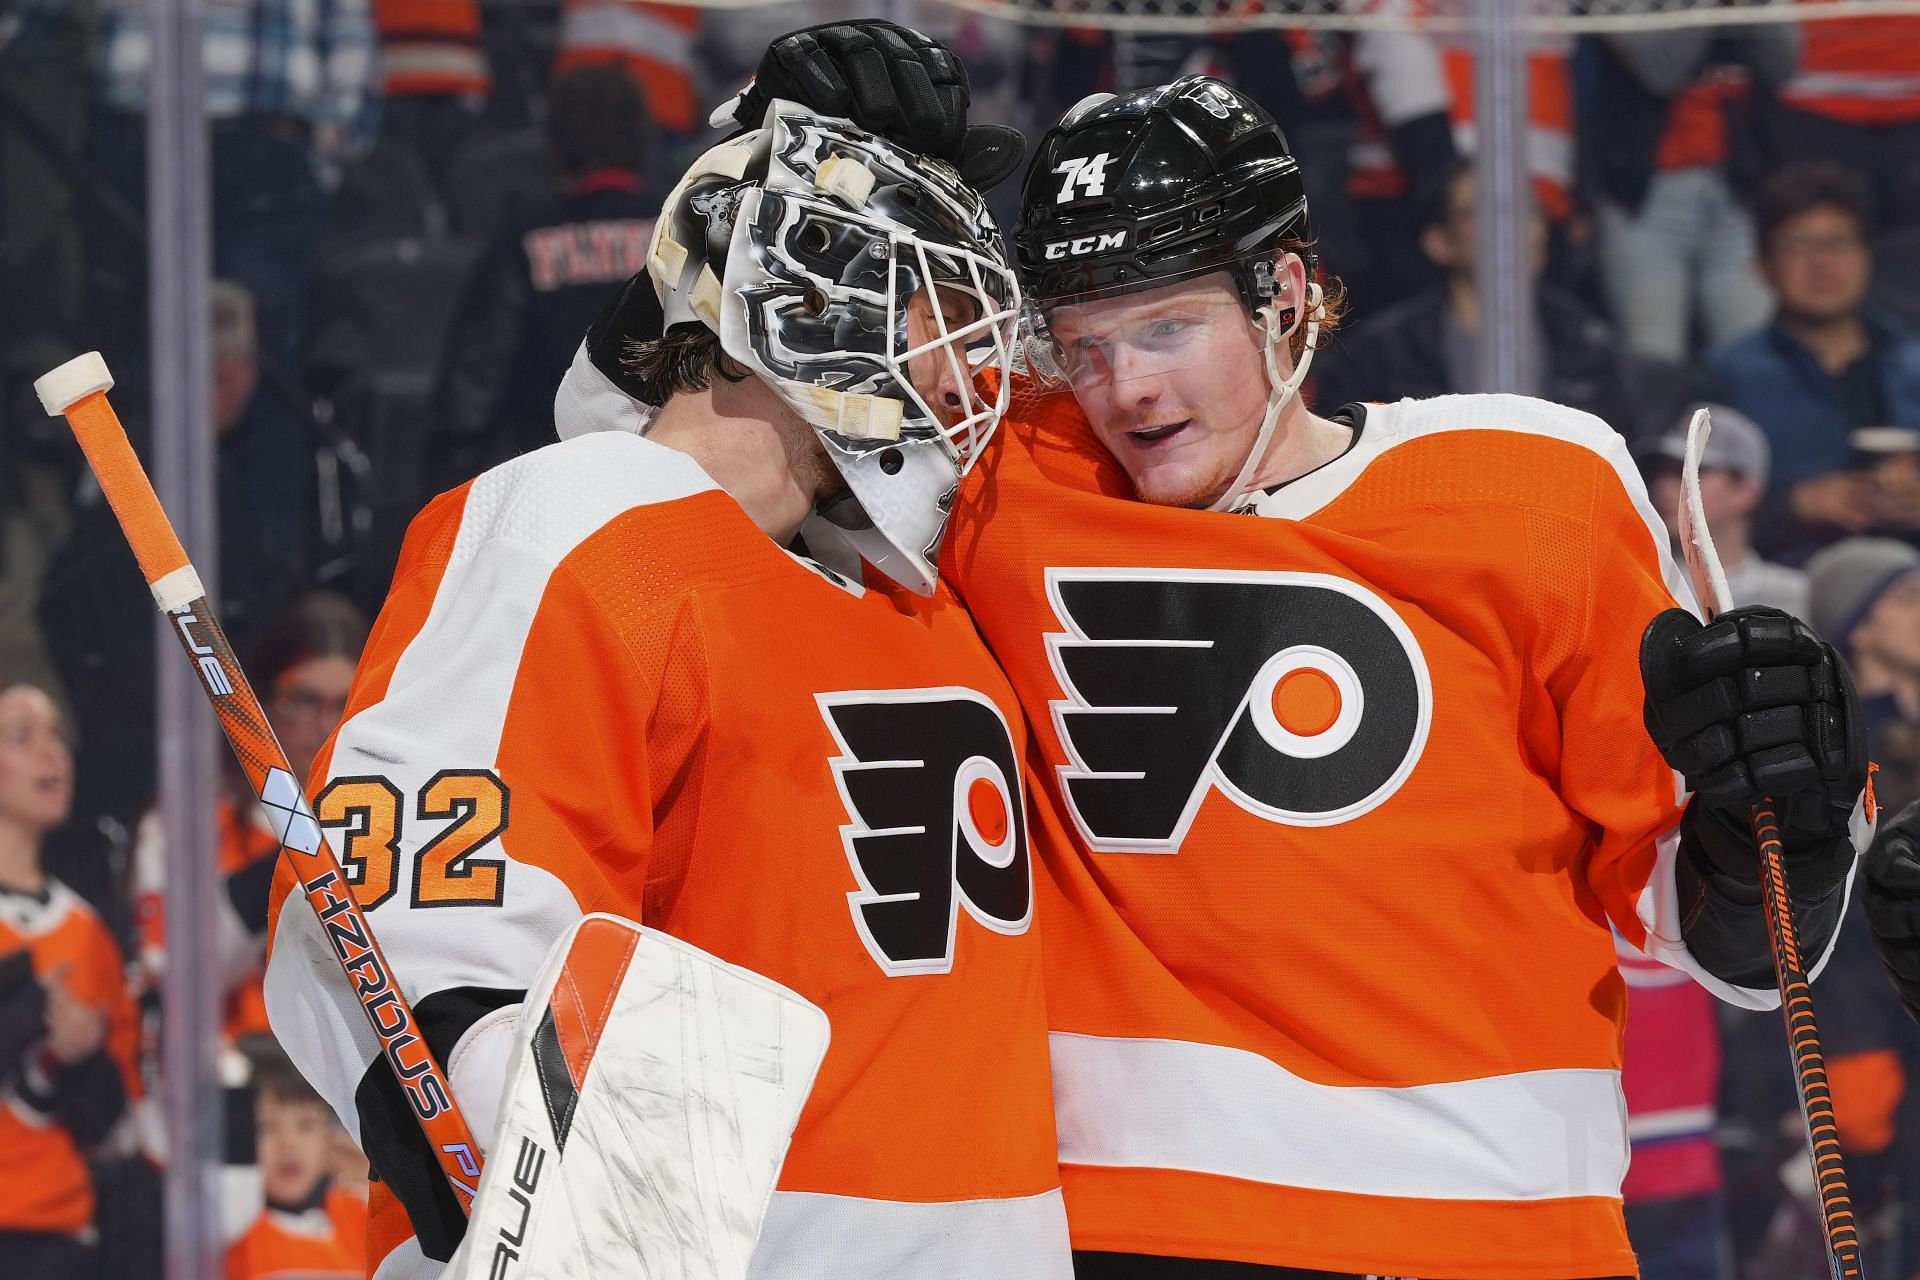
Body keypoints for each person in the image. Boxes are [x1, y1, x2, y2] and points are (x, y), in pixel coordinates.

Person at [694, 41, 1873, 1278]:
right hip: (1121, 1222)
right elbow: (651, 464)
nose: (1124, 388)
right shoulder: (1004, 467)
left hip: (1494, 1223)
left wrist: (1776, 827)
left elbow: (1713, 936)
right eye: (1081, 344)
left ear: (1290, 294)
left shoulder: (1537, 483)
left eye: (1166, 327)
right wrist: (757, 178)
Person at [263, 100, 1070, 1278]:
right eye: (929, 316)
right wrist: (545, 1159)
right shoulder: (582, 519)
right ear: (805, 306)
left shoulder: (920, 590)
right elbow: (413, 899)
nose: (964, 369)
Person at [130, 592, 369, 1160]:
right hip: (236, 1126)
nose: (325, 726)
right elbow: (176, 981)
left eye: (346, 703)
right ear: (259, 705)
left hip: (362, 1122)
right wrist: (292, 855)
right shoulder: (187, 824)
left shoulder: (393, 825)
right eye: (303, 701)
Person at [429, 63, 662, 490]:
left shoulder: (523, 241)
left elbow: (472, 387)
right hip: (668, 479)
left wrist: (449, 493)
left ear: (555, 141)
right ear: (642, 135)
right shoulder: (680, 231)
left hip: (552, 483)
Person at [1707, 162, 1920, 557]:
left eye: (1839, 243)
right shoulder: (1726, 375)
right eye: (1800, 246)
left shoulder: (1912, 361)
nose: (1823, 263)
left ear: (1868, 257)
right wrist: (1795, 505)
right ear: (1763, 266)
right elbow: (1688, 515)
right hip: (1785, 592)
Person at [1314, 158, 1626, 426]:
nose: (1514, 228)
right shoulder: (1380, 353)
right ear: (1440, 242)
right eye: (1485, 212)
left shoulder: (1587, 343)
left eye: (1528, 209)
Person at [0, 680, 138, 1278]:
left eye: (57, 736)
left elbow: (114, 1123)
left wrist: (82, 1058)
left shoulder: (87, 932)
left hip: (55, 1232)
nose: (52, 753)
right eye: (22, 737)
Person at [1582, 23, 1794, 364]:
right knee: (1654, 363)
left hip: (1735, 193)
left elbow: (1785, 65)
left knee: (1756, 359)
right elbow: (1661, 68)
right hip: (1646, 203)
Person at [1639, 404, 1809, 615]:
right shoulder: (1642, 584)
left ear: (1745, 490)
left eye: (1690, 470)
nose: (1662, 485)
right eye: (1661, 471)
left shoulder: (1796, 597)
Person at [224, 1039, 367, 1280]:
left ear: (330, 1134)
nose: (288, 1143)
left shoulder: (361, 1216)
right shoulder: (229, 1230)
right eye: (265, 1126)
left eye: (306, 1124)